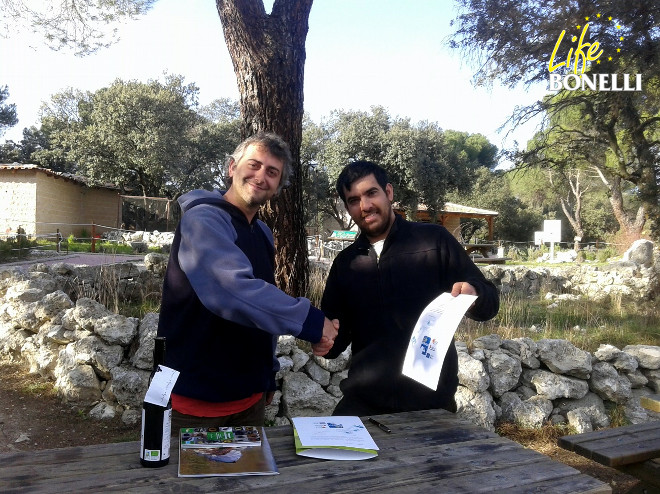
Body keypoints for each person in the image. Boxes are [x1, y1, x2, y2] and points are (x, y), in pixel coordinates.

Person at [157, 131, 338, 430]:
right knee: (195, 478)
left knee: (247, 479)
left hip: (249, 400)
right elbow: (231, 291)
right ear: (232, 168)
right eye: (253, 164)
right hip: (195, 402)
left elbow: (259, 304)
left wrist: (267, 374)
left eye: (272, 172)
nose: (260, 176)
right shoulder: (204, 220)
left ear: (278, 186)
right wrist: (313, 322)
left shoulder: (262, 233)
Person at [321, 160, 499, 416]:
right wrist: (323, 340)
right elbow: (335, 340)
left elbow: (489, 303)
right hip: (362, 405)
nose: (365, 206)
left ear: (389, 192)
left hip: (431, 406)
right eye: (353, 200)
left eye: (371, 193)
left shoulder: (434, 241)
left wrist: (475, 294)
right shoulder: (345, 264)